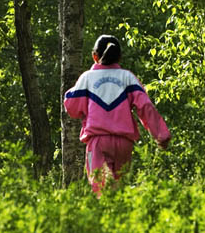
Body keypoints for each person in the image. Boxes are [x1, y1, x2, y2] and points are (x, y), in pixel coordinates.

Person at [64, 34, 171, 194]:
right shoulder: (128, 78)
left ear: (95, 56)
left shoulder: (87, 78)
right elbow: (145, 106)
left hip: (98, 142)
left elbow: (72, 107)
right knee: (119, 189)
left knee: (101, 188)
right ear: (119, 57)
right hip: (124, 144)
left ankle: (106, 217)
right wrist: (161, 135)